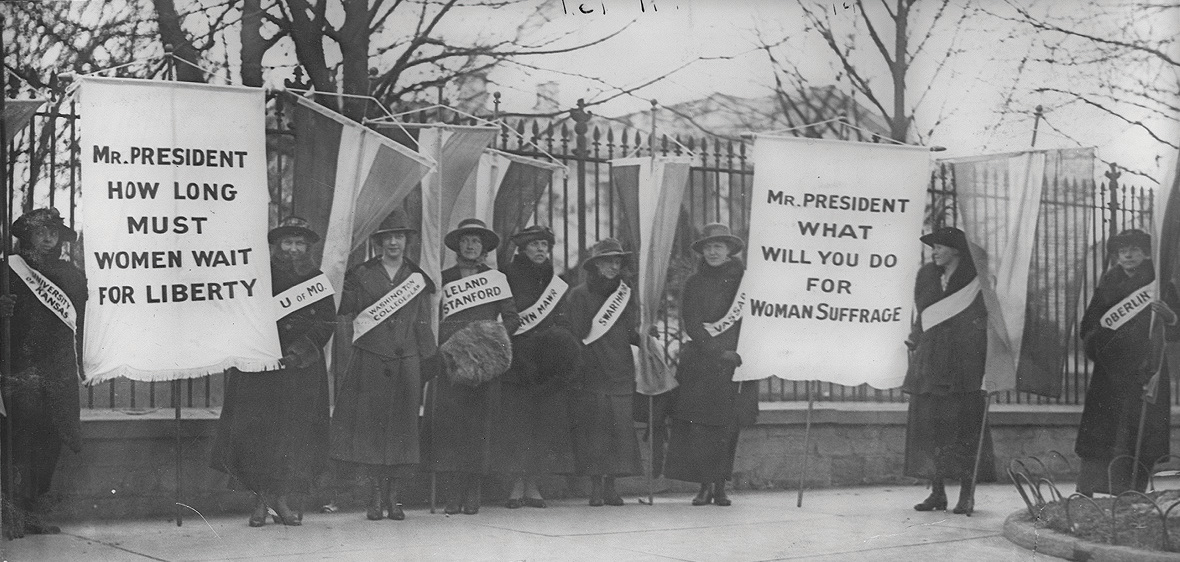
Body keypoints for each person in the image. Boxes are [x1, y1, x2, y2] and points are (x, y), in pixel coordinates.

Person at [211, 217, 334, 526]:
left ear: (307, 247)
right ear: (277, 246)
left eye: (299, 243)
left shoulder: (318, 280)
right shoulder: (258, 277)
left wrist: (299, 350)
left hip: (300, 369)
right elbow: (242, 316)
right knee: (259, 435)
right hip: (262, 369)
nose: (293, 249)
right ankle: (261, 501)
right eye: (287, 243)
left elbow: (326, 322)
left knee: (293, 435)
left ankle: (281, 498)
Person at [330, 210, 437, 521]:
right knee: (373, 431)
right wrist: (336, 275)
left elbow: (423, 322)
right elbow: (343, 307)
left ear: (406, 241)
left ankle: (395, 496)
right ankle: (375, 495)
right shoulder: (361, 275)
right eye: (387, 237)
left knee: (404, 431)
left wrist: (428, 359)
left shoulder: (416, 278)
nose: (393, 242)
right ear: (378, 242)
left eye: (399, 236)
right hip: (371, 358)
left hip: (407, 361)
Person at [423, 218, 520, 515]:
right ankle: (452, 493)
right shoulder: (443, 278)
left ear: (484, 248)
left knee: (479, 429)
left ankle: (473, 490)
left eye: (476, 241)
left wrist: (487, 343)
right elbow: (431, 317)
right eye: (466, 240)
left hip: (483, 367)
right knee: (451, 428)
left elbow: (512, 319)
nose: (470, 245)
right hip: (451, 363)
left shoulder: (496, 279)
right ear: (458, 245)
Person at [0, 208, 85, 538]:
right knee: (18, 439)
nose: (48, 238)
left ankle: (33, 510)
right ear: (27, 236)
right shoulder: (8, 268)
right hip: (21, 367)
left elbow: (82, 318)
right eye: (41, 232)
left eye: (54, 232)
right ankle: (12, 511)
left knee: (51, 441)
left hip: (58, 368)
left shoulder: (72, 275)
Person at [1075, 228, 1178, 496]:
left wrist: (1170, 318)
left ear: (1145, 253)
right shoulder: (1107, 282)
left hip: (1146, 369)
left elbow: (1177, 329)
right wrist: (1098, 343)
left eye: (1133, 249)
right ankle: (1089, 489)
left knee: (1137, 434)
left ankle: (1131, 492)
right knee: (1102, 431)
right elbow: (1089, 323)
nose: (1128, 255)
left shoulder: (1160, 284)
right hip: (1109, 370)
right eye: (1122, 251)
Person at [903, 226, 995, 516]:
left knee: (963, 429)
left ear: (957, 250)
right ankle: (937, 493)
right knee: (930, 429)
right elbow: (923, 315)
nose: (935, 251)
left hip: (963, 365)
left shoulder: (977, 281)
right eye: (933, 247)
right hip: (930, 363)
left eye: (940, 246)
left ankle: (966, 495)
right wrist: (916, 339)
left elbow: (987, 320)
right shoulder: (926, 277)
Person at [664, 223, 758, 506]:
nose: (713, 252)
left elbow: (752, 321)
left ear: (729, 249)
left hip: (735, 364)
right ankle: (704, 486)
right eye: (708, 247)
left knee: (727, 428)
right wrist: (716, 350)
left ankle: (720, 486)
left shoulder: (746, 282)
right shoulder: (694, 282)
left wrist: (738, 352)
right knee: (700, 428)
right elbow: (691, 321)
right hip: (702, 364)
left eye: (718, 246)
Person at [490, 225, 579, 509]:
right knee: (517, 425)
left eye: (545, 245)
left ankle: (533, 484)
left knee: (542, 427)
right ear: (522, 249)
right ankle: (516, 485)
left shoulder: (555, 280)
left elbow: (563, 317)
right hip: (517, 360)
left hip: (546, 364)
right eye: (535, 245)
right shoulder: (507, 276)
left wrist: (559, 339)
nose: (541, 250)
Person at [566, 238, 643, 506]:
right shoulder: (579, 295)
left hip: (620, 368)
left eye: (617, 261)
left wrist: (646, 339)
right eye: (608, 260)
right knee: (595, 431)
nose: (613, 265)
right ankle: (596, 486)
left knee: (619, 431)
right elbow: (575, 335)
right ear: (596, 264)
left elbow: (631, 331)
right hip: (593, 370)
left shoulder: (626, 293)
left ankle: (611, 486)